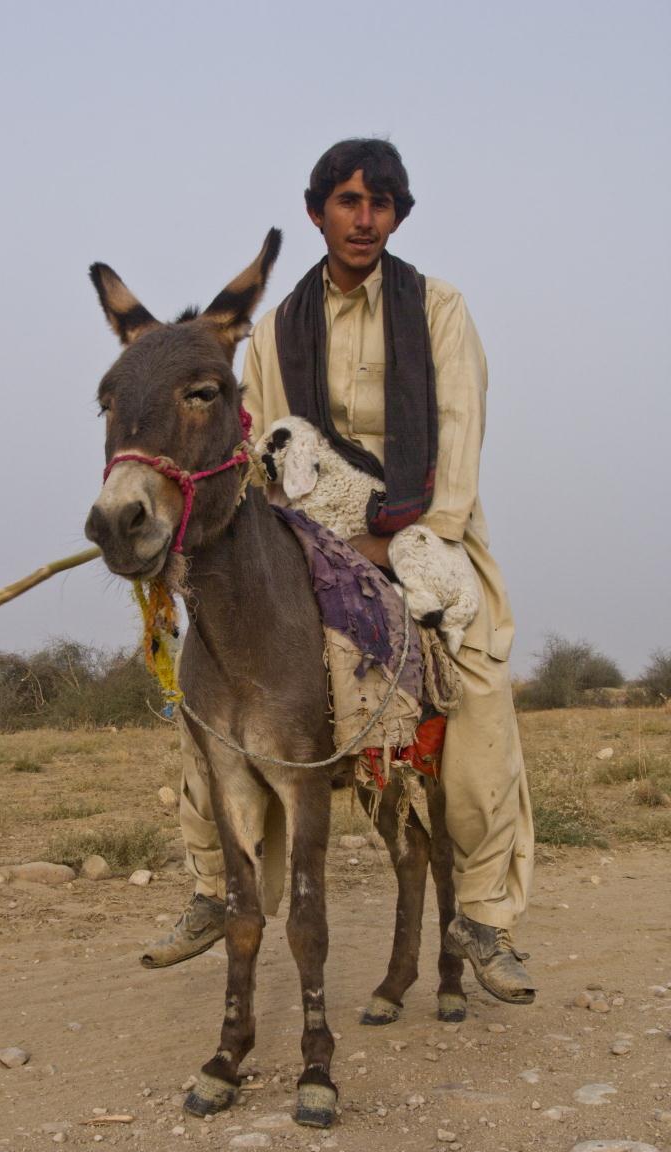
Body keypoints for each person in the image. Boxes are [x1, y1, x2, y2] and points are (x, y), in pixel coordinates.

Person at [142, 138, 535, 1004]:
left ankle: (484, 916)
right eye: (349, 201)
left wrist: (406, 543)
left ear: (398, 215)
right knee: (215, 680)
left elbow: (460, 439)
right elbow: (261, 451)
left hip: (428, 530)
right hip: (308, 534)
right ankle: (215, 887)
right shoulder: (278, 329)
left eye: (382, 203)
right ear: (318, 209)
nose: (365, 218)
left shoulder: (438, 308)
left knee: (475, 689)